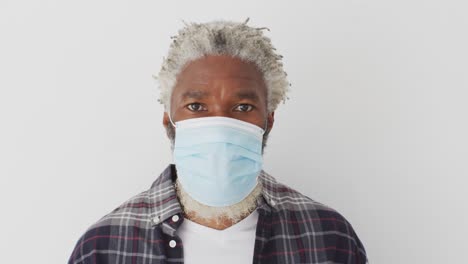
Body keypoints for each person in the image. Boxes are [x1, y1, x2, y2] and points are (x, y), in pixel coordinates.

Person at [68, 18, 368, 264]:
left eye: (243, 107)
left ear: (268, 121)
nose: (221, 125)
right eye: (197, 107)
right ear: (167, 120)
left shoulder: (328, 238)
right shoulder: (104, 247)